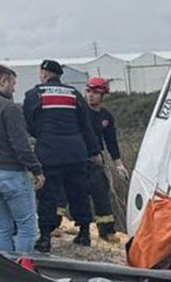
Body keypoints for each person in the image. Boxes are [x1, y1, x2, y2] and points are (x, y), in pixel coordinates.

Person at [23, 60, 97, 252]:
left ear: (44, 74)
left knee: (48, 196)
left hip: (50, 154)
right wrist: (94, 151)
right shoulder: (74, 94)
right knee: (79, 193)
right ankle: (84, 233)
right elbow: (86, 125)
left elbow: (29, 123)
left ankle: (45, 238)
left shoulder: (34, 94)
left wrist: (43, 135)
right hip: (76, 153)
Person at [0, 65, 44, 253]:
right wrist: (36, 169)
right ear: (3, 81)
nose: (14, 88)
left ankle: (5, 269)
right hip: (13, 174)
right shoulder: (10, 108)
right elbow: (21, 145)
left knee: (3, 228)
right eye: (12, 83)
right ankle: (24, 268)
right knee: (26, 226)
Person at [84, 77, 124, 241]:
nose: (91, 95)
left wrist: (118, 163)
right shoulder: (80, 112)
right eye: (89, 91)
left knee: (101, 192)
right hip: (78, 157)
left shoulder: (106, 117)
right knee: (72, 193)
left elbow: (111, 141)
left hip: (97, 161)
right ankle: (76, 229)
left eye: (95, 93)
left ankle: (106, 230)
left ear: (103, 95)